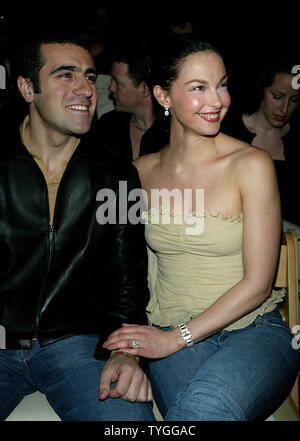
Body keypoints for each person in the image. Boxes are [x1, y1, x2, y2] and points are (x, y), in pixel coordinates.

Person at [102, 35, 300, 421]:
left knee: (204, 407)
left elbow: (259, 284)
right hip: (172, 331)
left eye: (222, 84)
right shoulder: (139, 174)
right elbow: (131, 273)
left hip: (254, 332)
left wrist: (171, 340)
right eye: (198, 88)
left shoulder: (252, 164)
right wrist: (125, 348)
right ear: (163, 96)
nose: (217, 100)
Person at [0, 32, 155, 421]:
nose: (86, 89)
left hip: (78, 346)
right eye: (65, 75)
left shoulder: (118, 176)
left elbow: (128, 280)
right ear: (26, 88)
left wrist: (124, 353)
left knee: (128, 423)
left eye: (89, 76)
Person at [222, 49, 300, 227]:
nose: (284, 108)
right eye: (277, 97)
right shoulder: (229, 130)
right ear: (261, 89)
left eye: (294, 100)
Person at [95, 38, 169, 162]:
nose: (111, 88)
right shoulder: (108, 126)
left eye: (117, 83)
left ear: (145, 89)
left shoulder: (172, 133)